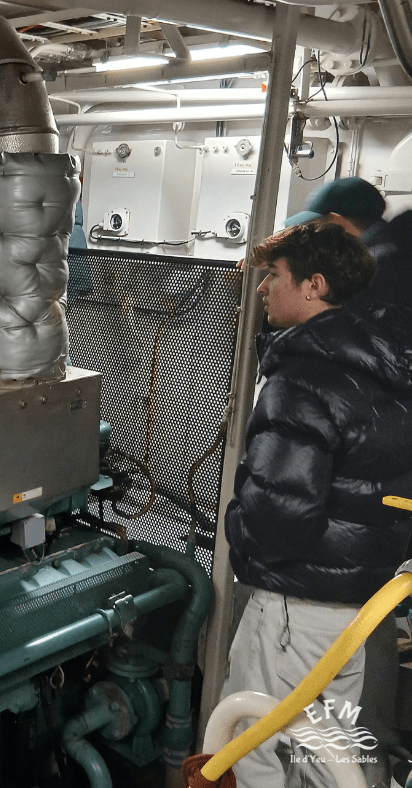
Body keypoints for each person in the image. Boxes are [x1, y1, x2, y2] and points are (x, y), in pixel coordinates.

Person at [222, 222, 412, 788]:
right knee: (328, 755)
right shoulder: (384, 366)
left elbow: (276, 518)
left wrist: (237, 527)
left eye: (274, 276)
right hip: (352, 610)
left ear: (314, 285)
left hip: (293, 607)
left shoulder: (302, 378)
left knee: (249, 744)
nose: (262, 288)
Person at [285, 176, 412, 309]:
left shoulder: (373, 270)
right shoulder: (396, 248)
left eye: (315, 228)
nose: (312, 239)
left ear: (337, 223)